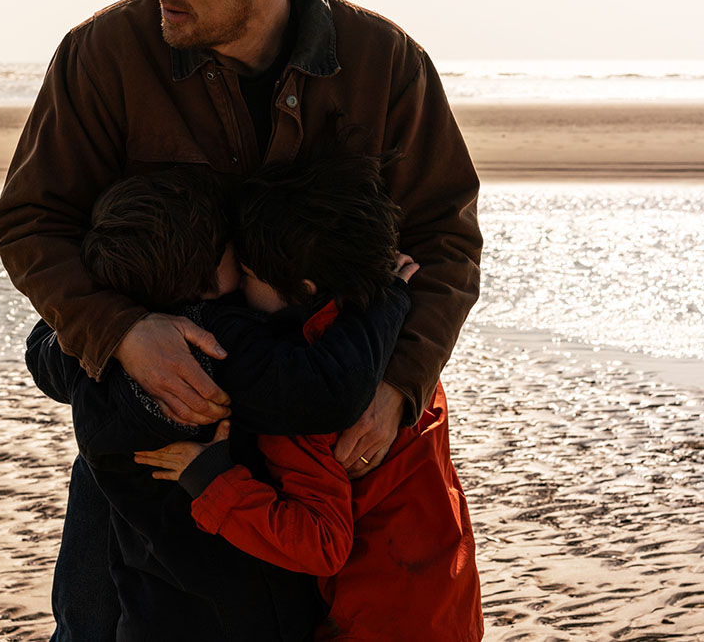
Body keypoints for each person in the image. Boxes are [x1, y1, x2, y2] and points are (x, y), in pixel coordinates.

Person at [0, 0, 482, 637]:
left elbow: (445, 239)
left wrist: (398, 386)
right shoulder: (103, 53)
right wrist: (122, 332)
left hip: (331, 449)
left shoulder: (385, 63)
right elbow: (31, 220)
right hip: (153, 437)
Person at [26, 163, 413, 641]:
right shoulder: (221, 342)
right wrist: (386, 300)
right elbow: (327, 389)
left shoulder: (88, 357)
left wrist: (111, 324)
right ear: (208, 281)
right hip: (244, 606)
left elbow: (42, 348)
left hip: (149, 608)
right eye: (236, 252)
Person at [132, 158, 484, 642]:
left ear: (303, 290)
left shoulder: (300, 395)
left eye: (248, 274)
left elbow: (322, 544)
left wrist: (213, 482)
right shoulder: (404, 359)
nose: (238, 291)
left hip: (373, 623)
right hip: (451, 602)